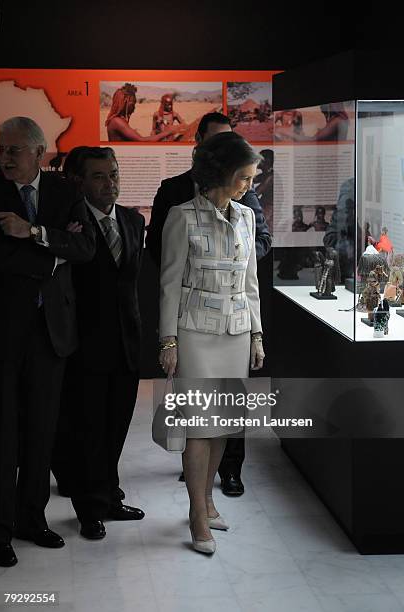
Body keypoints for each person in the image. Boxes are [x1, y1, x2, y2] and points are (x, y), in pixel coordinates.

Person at [146, 112, 271, 496]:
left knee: (227, 421)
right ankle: (198, 511)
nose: (252, 185)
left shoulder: (248, 213)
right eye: (247, 177)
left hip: (235, 332)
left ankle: (213, 498)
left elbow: (250, 282)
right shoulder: (181, 213)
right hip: (196, 333)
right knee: (199, 426)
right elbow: (167, 280)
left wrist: (257, 334)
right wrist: (169, 341)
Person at [0, 117, 95, 567]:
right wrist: (52, 255)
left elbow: (86, 248)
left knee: (41, 428)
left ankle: (31, 519)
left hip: (51, 330)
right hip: (3, 329)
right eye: (0, 149)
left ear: (40, 153)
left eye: (14, 150)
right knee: (3, 433)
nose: (5, 157)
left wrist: (32, 233)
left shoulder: (64, 193)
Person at [55, 147, 145, 540]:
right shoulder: (68, 223)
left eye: (114, 174)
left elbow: (130, 285)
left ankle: (109, 496)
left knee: (117, 425)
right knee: (88, 429)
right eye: (99, 176)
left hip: (127, 342)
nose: (110, 183)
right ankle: (89, 508)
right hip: (85, 345)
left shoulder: (133, 220)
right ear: (80, 181)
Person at [105, 83, 182, 142]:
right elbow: (141, 140)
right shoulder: (117, 121)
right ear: (125, 103)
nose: (134, 108)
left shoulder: (117, 120)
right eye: (133, 103)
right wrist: (168, 132)